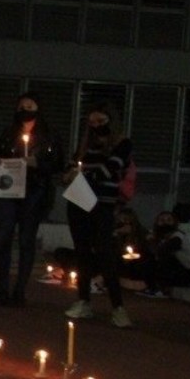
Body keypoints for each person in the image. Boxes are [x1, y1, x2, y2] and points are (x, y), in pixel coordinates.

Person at [62, 104, 134, 328]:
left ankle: (118, 307)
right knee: (82, 252)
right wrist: (71, 173)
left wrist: (85, 175)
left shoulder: (123, 144)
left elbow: (110, 168)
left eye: (101, 122)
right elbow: (72, 166)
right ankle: (83, 300)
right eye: (92, 123)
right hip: (79, 201)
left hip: (102, 204)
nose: (96, 127)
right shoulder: (85, 145)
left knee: (105, 252)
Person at [0, 92, 62, 306]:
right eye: (21, 106)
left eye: (29, 105)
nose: (25, 109)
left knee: (26, 240)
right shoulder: (8, 133)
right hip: (9, 191)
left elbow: (57, 163)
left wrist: (36, 163)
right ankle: (2, 290)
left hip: (34, 191)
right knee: (3, 238)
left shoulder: (49, 135)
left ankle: (19, 290)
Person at [132, 210, 190, 297]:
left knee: (150, 258)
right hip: (174, 271)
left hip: (183, 273)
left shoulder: (177, 236)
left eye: (169, 220)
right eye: (162, 220)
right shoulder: (161, 237)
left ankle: (155, 289)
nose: (165, 223)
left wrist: (150, 241)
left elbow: (163, 251)